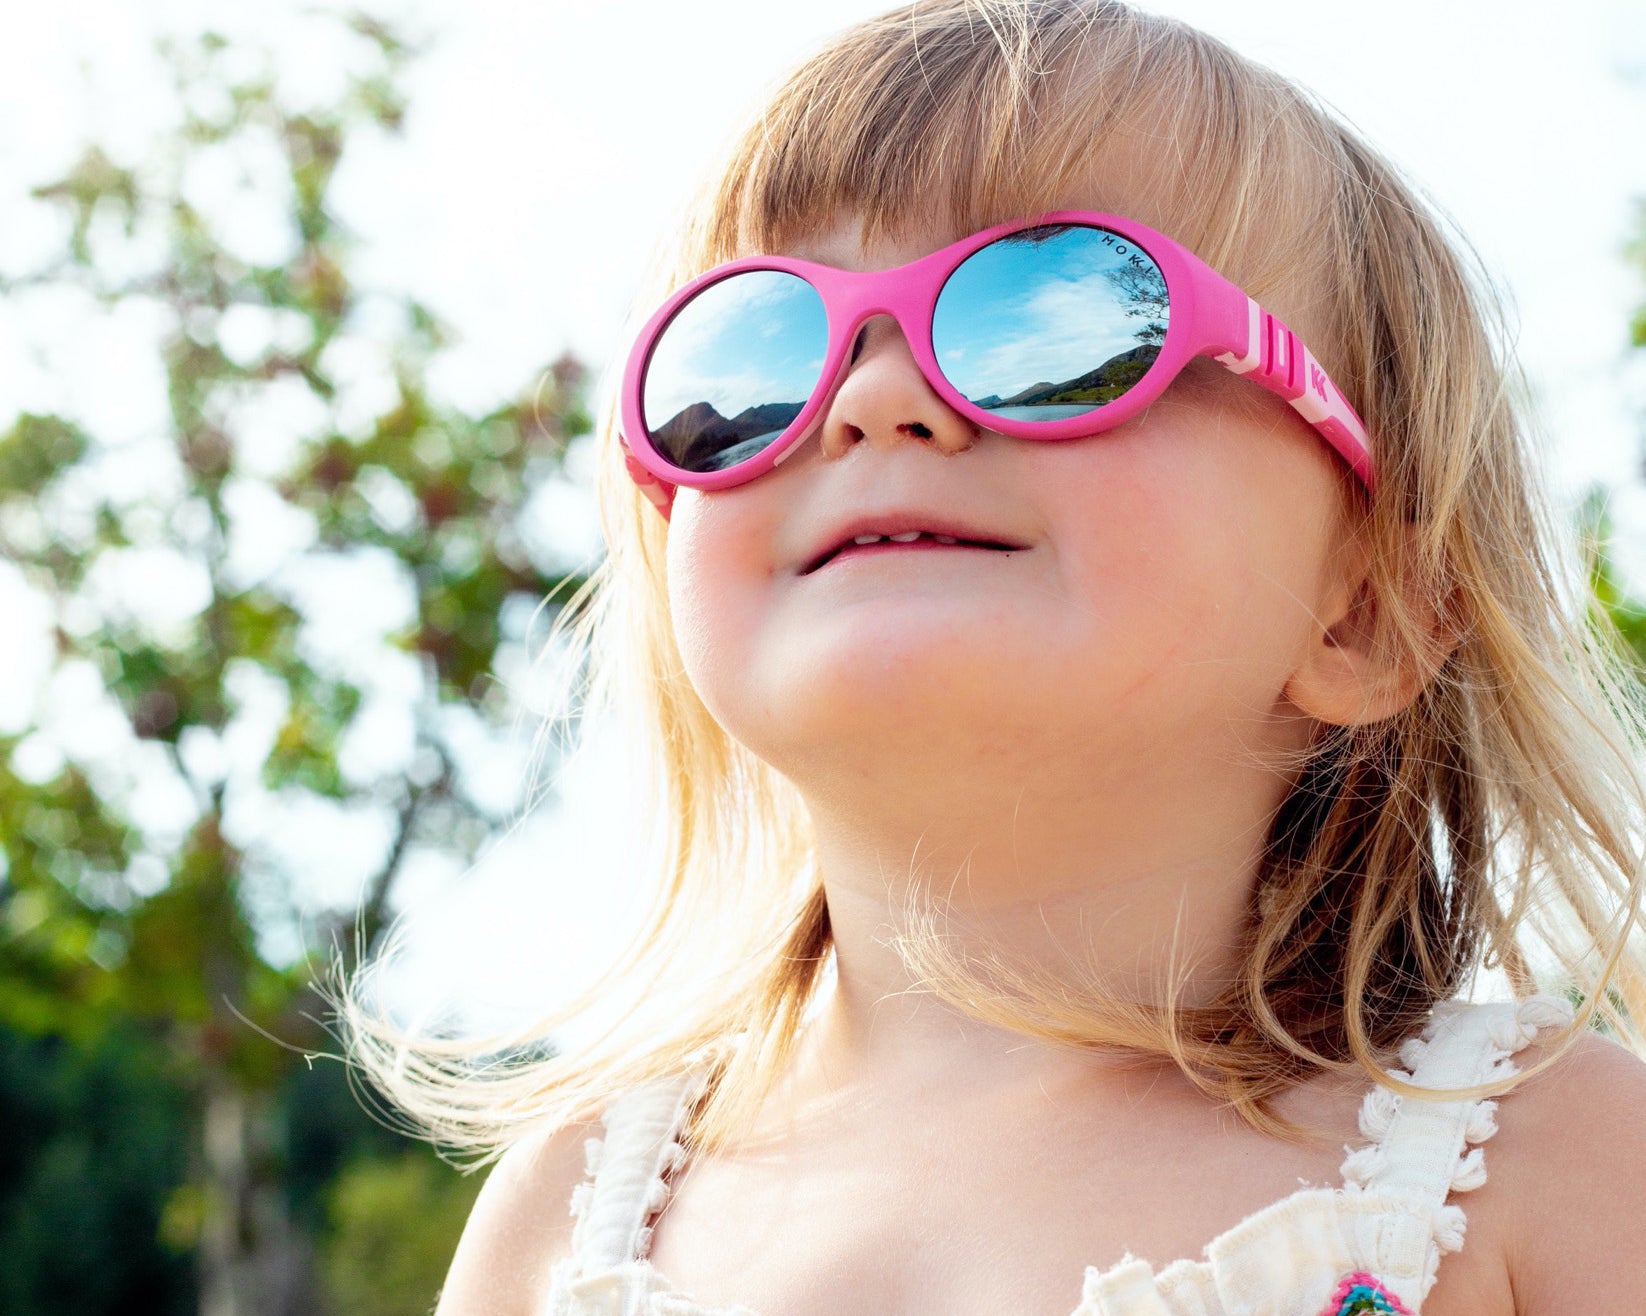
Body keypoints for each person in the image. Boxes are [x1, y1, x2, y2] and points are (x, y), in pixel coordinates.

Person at [348, 1, 1646, 1311]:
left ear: (1358, 615)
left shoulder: (1543, 1164)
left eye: (1058, 318)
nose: (867, 398)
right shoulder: (570, 1220)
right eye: (753, 351)